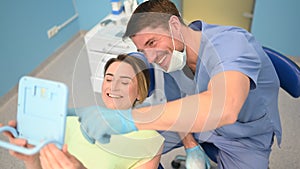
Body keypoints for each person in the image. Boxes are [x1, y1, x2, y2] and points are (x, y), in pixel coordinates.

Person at [61, 0, 282, 169]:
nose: (151, 56)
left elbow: (223, 107)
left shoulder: (232, 44)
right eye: (142, 49)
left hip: (243, 136)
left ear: (175, 26)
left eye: (152, 42)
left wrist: (128, 119)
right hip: (191, 122)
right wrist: (190, 143)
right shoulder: (170, 56)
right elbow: (173, 97)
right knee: (129, 147)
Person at [1, 53, 165, 169]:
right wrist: (31, 160)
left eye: (124, 81)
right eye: (108, 79)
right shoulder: (72, 121)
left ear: (140, 92)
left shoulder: (150, 140)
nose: (113, 86)